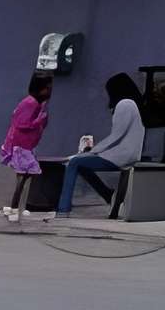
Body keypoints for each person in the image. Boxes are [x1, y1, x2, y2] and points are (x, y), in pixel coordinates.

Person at [55, 74, 147, 216]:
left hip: (121, 155)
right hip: (125, 153)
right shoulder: (131, 105)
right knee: (80, 164)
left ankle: (63, 209)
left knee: (74, 162)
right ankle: (107, 194)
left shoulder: (125, 104)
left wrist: (92, 152)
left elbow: (116, 136)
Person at [0, 70, 51, 223]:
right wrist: (39, 120)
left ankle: (17, 206)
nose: (48, 91)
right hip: (21, 146)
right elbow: (21, 124)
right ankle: (14, 207)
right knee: (23, 176)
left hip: (24, 145)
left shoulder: (35, 104)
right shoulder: (31, 103)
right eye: (46, 88)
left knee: (25, 176)